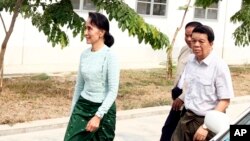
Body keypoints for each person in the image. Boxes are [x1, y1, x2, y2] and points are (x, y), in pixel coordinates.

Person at [171, 25, 234, 141]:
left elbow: (225, 100)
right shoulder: (191, 60)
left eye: (201, 41)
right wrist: (182, 98)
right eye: (194, 41)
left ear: (211, 43)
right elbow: (191, 87)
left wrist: (206, 126)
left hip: (207, 121)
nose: (196, 45)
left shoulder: (219, 66)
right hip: (187, 116)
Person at [64, 12, 120, 141]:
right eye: (85, 28)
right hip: (83, 106)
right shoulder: (84, 55)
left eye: (89, 28)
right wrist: (73, 113)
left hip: (104, 110)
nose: (85, 32)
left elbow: (112, 91)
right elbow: (79, 85)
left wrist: (98, 116)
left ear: (101, 32)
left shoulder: (110, 56)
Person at [160, 21, 202, 141]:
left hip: (189, 102)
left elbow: (197, 82)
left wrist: (182, 97)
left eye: (192, 36)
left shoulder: (203, 56)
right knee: (167, 130)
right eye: (186, 35)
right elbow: (181, 75)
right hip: (177, 99)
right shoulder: (184, 50)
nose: (189, 39)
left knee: (182, 134)